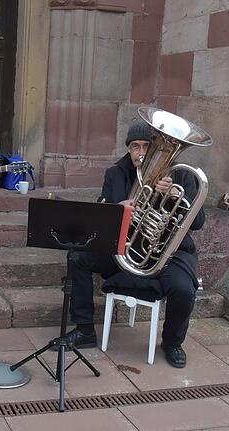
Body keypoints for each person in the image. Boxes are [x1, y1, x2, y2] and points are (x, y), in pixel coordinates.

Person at [62, 118, 205, 368]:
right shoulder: (116, 173)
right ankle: (85, 329)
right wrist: (118, 210)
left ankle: (172, 343)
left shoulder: (181, 174)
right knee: (77, 258)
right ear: (128, 149)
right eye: (135, 147)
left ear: (157, 149)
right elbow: (101, 215)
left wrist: (172, 198)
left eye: (146, 146)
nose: (140, 153)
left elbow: (198, 222)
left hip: (166, 253)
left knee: (183, 290)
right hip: (125, 247)